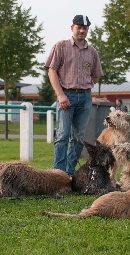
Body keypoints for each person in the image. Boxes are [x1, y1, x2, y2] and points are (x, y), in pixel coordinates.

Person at [45, 14, 103, 176]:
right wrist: (61, 95)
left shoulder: (92, 52)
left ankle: (70, 173)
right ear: (72, 28)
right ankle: (58, 172)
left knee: (78, 137)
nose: (82, 31)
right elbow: (51, 70)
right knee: (63, 135)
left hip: (84, 98)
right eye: (79, 27)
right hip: (66, 95)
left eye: (85, 28)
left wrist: (87, 86)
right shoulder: (61, 46)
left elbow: (96, 74)